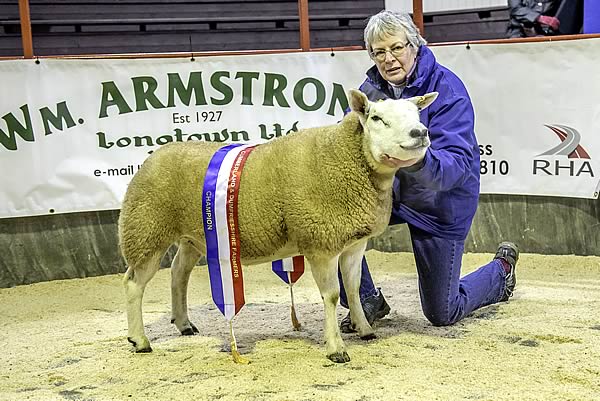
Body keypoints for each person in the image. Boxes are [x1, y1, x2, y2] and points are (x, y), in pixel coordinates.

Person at [338, 10, 519, 333]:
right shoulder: (371, 90)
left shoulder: (447, 90)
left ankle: (500, 273)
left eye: (396, 48)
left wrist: (418, 161)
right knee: (335, 222)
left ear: (416, 45)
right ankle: (365, 299)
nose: (389, 59)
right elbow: (348, 141)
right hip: (392, 196)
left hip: (441, 203)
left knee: (442, 312)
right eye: (379, 52)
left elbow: (458, 167)